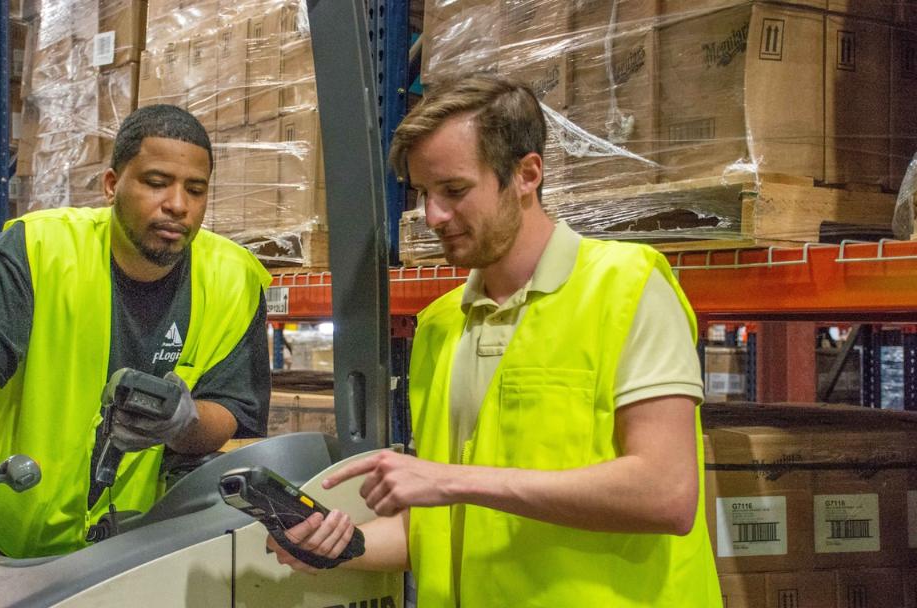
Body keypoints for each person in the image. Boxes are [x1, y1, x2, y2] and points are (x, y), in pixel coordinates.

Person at [268, 74, 722, 607]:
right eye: (423, 194)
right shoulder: (441, 324)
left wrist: (455, 480)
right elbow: (439, 529)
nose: (432, 216)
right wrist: (340, 544)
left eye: (455, 191)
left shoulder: (627, 287)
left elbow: (666, 494)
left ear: (527, 174)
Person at [0, 104, 272, 563]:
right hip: (9, 543)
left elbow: (232, 409)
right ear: (112, 185)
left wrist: (184, 422)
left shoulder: (234, 279)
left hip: (137, 549)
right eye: (156, 183)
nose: (178, 204)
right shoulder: (38, 250)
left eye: (196, 190)